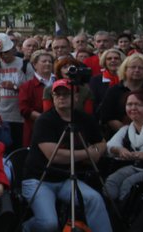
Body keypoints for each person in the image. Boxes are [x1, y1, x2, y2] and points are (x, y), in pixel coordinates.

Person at [21, 78, 112, 232]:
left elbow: (102, 142)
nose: (61, 98)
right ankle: (27, 227)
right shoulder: (44, 120)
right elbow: (54, 155)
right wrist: (88, 153)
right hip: (39, 179)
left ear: (76, 97)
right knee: (49, 224)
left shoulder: (84, 118)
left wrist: (96, 151)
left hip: (67, 178)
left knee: (94, 199)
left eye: (66, 94)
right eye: (57, 95)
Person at [99, 53, 143, 134]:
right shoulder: (114, 91)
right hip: (120, 136)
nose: (137, 70)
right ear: (125, 70)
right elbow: (108, 117)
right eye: (133, 67)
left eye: (141, 68)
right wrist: (129, 133)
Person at [19, 50, 56, 147]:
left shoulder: (59, 82)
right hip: (36, 129)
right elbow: (24, 109)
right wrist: (44, 119)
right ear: (35, 65)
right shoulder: (27, 86)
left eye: (50, 61)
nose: (48, 64)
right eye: (44, 61)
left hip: (59, 129)